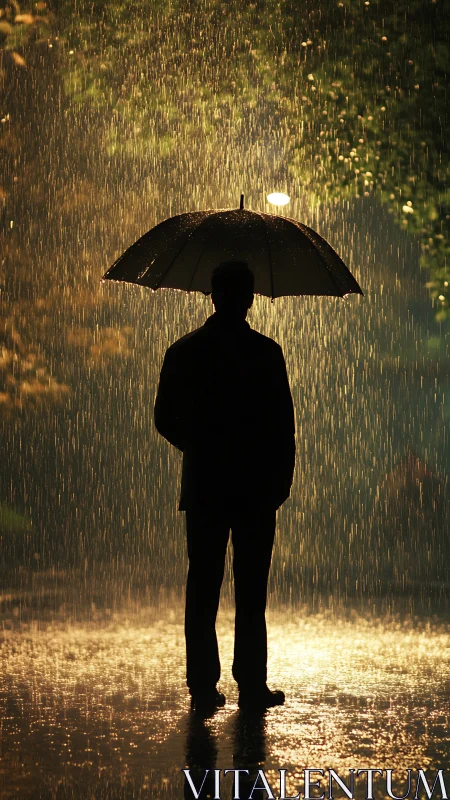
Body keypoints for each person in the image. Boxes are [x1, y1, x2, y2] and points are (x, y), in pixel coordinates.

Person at [154, 261, 296, 711]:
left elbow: (164, 419)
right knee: (252, 591)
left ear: (211, 295)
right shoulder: (266, 353)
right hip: (257, 488)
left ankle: (202, 685)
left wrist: (199, 446)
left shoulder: (184, 351)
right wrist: (280, 481)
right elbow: (283, 427)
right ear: (250, 298)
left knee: (203, 587)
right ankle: (251, 685)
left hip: (205, 486)